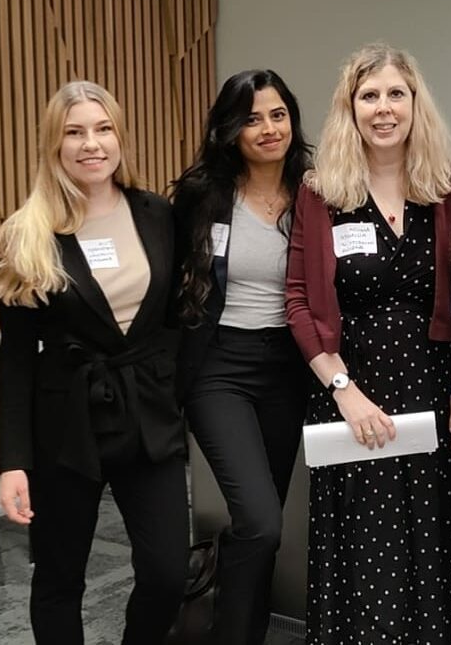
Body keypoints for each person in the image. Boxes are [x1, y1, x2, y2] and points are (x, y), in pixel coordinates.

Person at [285, 43, 451, 644]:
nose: (384, 108)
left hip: (432, 389)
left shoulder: (448, 190)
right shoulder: (322, 193)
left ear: (416, 103)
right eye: (369, 96)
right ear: (350, 109)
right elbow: (297, 301)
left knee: (436, 542)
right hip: (352, 390)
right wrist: (343, 390)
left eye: (397, 93)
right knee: (365, 548)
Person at [0, 81, 187, 644]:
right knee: (59, 578)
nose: (90, 144)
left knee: (168, 573)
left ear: (120, 137)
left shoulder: (156, 214)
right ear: (54, 145)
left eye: (102, 129)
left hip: (147, 413)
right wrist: (14, 462)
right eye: (74, 132)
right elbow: (18, 359)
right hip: (66, 423)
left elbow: (174, 317)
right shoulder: (26, 234)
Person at [170, 69, 314, 645]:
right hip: (219, 367)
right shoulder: (204, 194)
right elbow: (167, 279)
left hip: (288, 367)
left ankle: (240, 628)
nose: (268, 128)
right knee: (258, 519)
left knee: (266, 528)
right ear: (230, 129)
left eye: (277, 115)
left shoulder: (315, 189)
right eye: (252, 118)